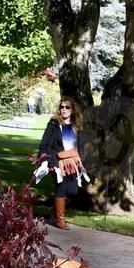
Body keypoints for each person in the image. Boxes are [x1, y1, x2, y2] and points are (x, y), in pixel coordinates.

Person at [37, 97, 86, 229]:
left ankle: (54, 210)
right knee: (61, 186)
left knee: (73, 191)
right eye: (61, 107)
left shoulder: (76, 126)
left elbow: (80, 146)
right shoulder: (54, 124)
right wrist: (45, 161)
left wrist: (82, 161)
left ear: (73, 109)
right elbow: (44, 143)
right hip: (55, 160)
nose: (63, 109)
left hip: (72, 161)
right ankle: (60, 220)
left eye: (67, 107)